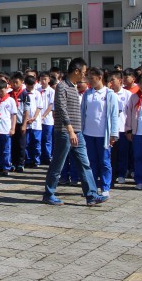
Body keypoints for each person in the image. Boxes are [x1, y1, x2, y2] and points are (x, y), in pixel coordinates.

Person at [41, 58, 108, 207]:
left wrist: (75, 131)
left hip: (77, 132)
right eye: (83, 72)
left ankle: (91, 195)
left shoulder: (73, 87)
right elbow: (61, 108)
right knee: (58, 164)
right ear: (76, 71)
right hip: (65, 132)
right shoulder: (62, 86)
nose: (84, 75)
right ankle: (49, 194)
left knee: (85, 164)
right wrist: (70, 130)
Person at [80, 67, 118, 198]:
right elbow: (82, 112)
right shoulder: (87, 94)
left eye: (92, 78)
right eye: (88, 78)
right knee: (91, 162)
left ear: (100, 78)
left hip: (103, 134)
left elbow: (114, 115)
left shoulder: (109, 94)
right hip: (88, 133)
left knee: (104, 161)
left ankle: (105, 187)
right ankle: (92, 187)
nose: (89, 80)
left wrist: (113, 134)